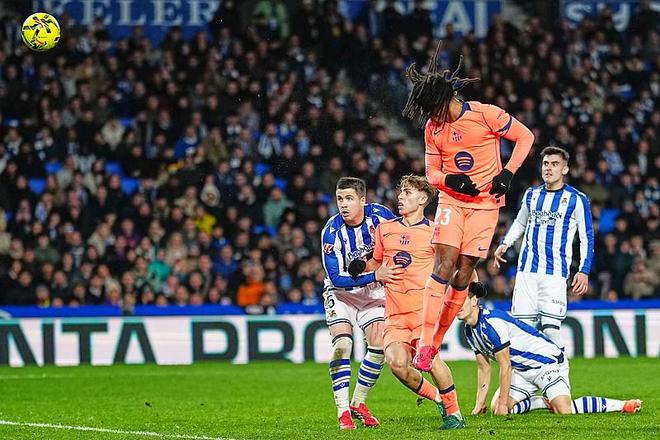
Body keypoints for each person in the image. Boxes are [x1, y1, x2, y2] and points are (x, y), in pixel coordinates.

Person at [401, 42, 535, 371]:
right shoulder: (433, 128)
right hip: (453, 201)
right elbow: (432, 173)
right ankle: (425, 342)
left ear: (445, 99)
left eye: (432, 108)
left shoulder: (486, 114)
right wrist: (450, 180)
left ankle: (436, 340)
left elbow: (526, 137)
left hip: (486, 206)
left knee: (463, 274)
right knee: (444, 263)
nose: (430, 117)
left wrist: (508, 173)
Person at [459, 282, 642, 416]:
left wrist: (502, 404)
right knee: (496, 408)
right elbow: (484, 367)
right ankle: (542, 402)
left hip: (547, 363)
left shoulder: (493, 324)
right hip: (522, 370)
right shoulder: (469, 330)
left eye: (461, 301)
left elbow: (505, 366)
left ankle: (622, 405)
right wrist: (479, 404)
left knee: (564, 410)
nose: (456, 306)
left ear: (474, 301)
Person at [371, 175, 465, 429]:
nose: (400, 197)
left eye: (407, 193)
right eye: (401, 192)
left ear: (423, 199)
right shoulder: (385, 229)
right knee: (397, 364)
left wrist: (471, 287)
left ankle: (454, 414)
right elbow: (375, 263)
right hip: (395, 315)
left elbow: (457, 263)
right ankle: (438, 399)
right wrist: (366, 271)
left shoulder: (435, 232)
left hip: (424, 313)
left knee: (431, 361)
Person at [494, 146, 594, 351]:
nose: (548, 168)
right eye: (546, 164)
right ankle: (526, 374)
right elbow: (520, 222)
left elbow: (587, 237)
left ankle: (562, 371)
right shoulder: (531, 195)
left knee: (550, 329)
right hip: (527, 272)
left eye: (555, 164)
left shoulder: (577, 199)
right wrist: (505, 243)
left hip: (555, 273)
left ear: (565, 169)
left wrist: (583, 270)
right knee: (522, 332)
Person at [320, 177, 401, 430]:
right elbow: (337, 278)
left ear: (363, 200)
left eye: (349, 199)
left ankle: (358, 402)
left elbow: (400, 238)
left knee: (378, 346)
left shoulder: (381, 217)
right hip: (342, 293)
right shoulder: (331, 232)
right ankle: (343, 411)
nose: (343, 204)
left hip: (372, 292)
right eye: (339, 199)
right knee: (343, 344)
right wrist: (375, 274)